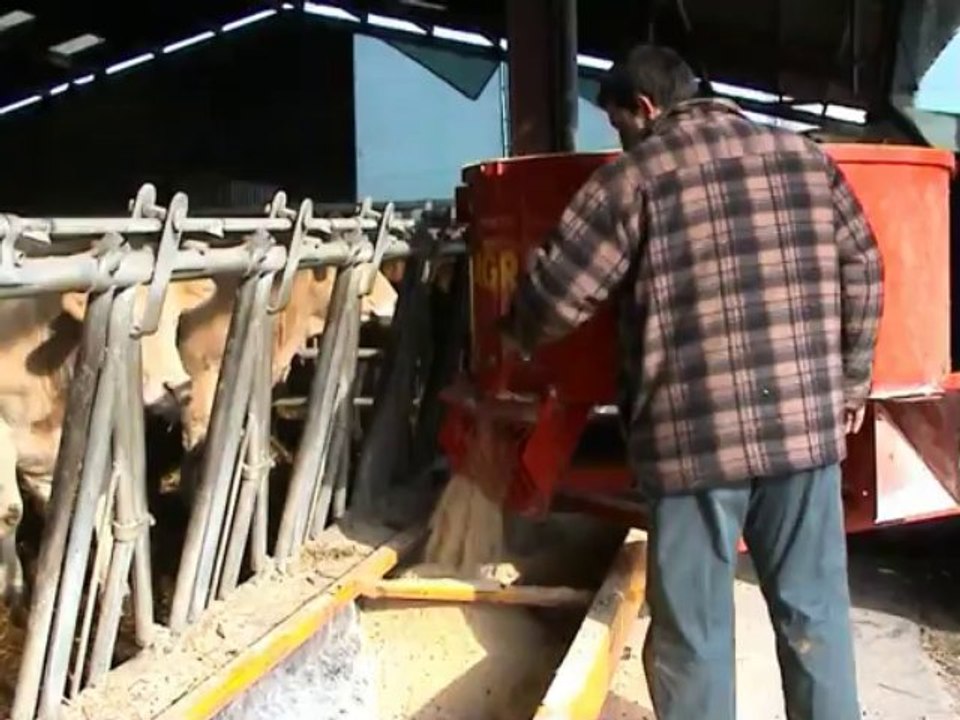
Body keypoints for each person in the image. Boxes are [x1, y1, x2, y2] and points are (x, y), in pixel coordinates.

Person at [498, 43, 883, 720]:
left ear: (645, 110)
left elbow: (559, 293)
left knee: (695, 639)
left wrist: (511, 331)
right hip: (803, 437)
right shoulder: (805, 159)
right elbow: (866, 268)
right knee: (814, 618)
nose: (620, 140)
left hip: (693, 446)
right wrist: (851, 381)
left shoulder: (634, 179)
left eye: (619, 125)